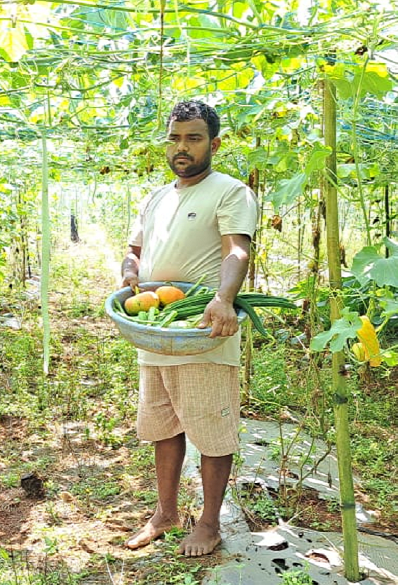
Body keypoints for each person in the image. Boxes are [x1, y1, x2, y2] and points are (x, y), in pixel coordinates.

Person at [120, 100, 258, 557]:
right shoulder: (157, 195)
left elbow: (237, 250)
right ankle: (165, 513)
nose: (182, 147)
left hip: (201, 329)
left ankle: (211, 523)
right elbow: (135, 249)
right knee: (162, 425)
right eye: (175, 138)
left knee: (212, 429)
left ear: (213, 143)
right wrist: (129, 271)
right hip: (157, 329)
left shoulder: (230, 191)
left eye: (193, 138)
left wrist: (222, 299)